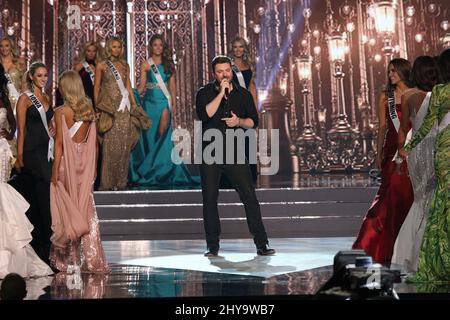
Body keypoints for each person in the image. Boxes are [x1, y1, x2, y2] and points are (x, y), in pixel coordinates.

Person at [195, 55, 274, 256]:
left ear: (232, 70)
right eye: (220, 71)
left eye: (227, 71)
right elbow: (205, 115)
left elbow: (253, 122)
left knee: (249, 196)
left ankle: (261, 243)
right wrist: (221, 93)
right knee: (210, 199)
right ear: (214, 73)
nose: (224, 75)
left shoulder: (244, 95)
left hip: (234, 152)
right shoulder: (204, 93)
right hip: (210, 152)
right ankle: (212, 246)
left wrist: (239, 121)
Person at [352, 58, 414, 264]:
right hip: (392, 150)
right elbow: (382, 127)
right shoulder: (385, 96)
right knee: (389, 194)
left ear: (404, 72)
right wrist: (378, 152)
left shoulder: (416, 93)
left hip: (412, 149)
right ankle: (373, 243)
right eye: (389, 72)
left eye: (394, 71)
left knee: (407, 195)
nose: (391, 75)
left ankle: (403, 245)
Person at [49, 70, 109, 273]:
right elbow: (95, 145)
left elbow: (59, 145)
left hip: (67, 165)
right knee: (86, 210)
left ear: (65, 88)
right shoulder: (88, 112)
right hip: (83, 166)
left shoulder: (61, 112)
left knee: (66, 212)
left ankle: (67, 261)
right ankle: (90, 259)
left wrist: (54, 171)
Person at [399, 49, 450, 282]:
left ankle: (426, 256)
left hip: (433, 152)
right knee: (435, 202)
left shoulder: (431, 93)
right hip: (439, 150)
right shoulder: (437, 93)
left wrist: (406, 149)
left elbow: (417, 126)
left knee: (432, 202)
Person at [0, 70, 53, 279]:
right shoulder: (25, 98)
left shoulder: (6, 99)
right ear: (32, 76)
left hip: (4, 149)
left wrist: (7, 133)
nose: (44, 78)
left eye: (45, 75)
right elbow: (22, 130)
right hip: (28, 154)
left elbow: (14, 128)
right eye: (39, 75)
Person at [129, 34, 199, 188]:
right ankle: (150, 171)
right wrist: (130, 92)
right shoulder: (146, 64)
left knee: (163, 136)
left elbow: (172, 88)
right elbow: (141, 86)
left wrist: (171, 105)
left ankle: (164, 169)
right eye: (155, 45)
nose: (158, 48)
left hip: (163, 105)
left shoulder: (168, 64)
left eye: (161, 45)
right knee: (149, 137)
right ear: (151, 47)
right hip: (149, 105)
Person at [391, 56, 440, 274]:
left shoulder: (409, 95)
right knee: (430, 199)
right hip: (436, 149)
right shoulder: (441, 95)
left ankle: (410, 255)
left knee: (421, 200)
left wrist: (402, 153)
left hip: (417, 151)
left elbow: (403, 130)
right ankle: (426, 254)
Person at [94, 36, 150, 191]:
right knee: (110, 146)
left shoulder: (125, 65)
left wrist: (133, 103)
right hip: (110, 109)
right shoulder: (101, 65)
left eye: (119, 47)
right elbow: (97, 87)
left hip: (124, 108)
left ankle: (121, 182)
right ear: (109, 48)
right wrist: (97, 107)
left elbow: (128, 84)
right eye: (114, 47)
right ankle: (107, 183)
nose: (116, 50)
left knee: (124, 146)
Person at [0, 37, 26, 114]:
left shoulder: (19, 63)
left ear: (11, 47)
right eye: (1, 46)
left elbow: (24, 83)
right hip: (1, 101)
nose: (4, 48)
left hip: (16, 99)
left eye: (7, 45)